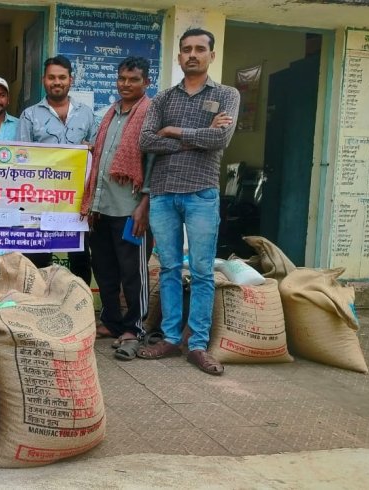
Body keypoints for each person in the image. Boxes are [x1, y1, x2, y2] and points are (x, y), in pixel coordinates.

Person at [138, 28, 240, 375]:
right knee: (168, 268)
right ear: (179, 56)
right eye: (186, 49)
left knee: (201, 271)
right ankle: (169, 338)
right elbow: (146, 141)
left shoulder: (226, 94)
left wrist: (173, 131)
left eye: (199, 49)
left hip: (201, 193)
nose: (192, 54)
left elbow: (221, 138)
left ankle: (197, 344)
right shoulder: (163, 99)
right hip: (164, 192)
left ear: (212, 55)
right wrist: (198, 137)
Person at [81, 56, 154, 361]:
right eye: (122, 78)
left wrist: (144, 205)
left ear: (146, 82)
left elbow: (155, 164)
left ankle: (135, 328)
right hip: (102, 206)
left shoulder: (150, 115)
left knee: (132, 273)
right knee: (105, 269)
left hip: (130, 209)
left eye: (133, 79)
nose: (126, 84)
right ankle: (111, 321)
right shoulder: (110, 113)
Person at [17, 55, 96, 284]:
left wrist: (90, 149)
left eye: (62, 77)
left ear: (71, 80)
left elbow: (96, 152)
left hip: (77, 201)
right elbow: (21, 158)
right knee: (39, 257)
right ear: (44, 80)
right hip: (40, 201)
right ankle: (40, 301)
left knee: (80, 256)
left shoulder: (86, 113)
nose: (57, 82)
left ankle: (79, 300)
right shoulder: (30, 115)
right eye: (52, 77)